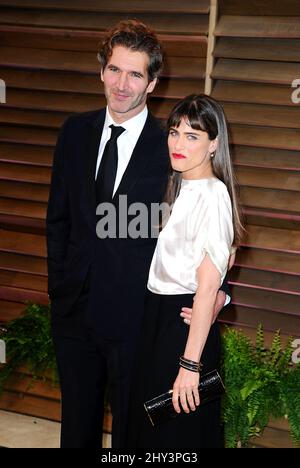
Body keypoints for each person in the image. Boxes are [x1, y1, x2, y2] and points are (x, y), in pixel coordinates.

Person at [46, 20, 231, 449]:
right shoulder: (72, 132)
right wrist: (59, 284)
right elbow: (58, 220)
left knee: (135, 439)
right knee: (76, 429)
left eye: (135, 74)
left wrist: (218, 292)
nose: (122, 84)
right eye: (114, 69)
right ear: (101, 71)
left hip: (136, 319)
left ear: (152, 82)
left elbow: (212, 219)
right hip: (73, 312)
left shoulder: (173, 146)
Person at [127, 94, 244, 448]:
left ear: (214, 144)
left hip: (182, 332)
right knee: (151, 436)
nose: (178, 144)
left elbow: (207, 289)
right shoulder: (182, 187)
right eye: (174, 132)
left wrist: (190, 366)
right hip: (159, 323)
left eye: (192, 136)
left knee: (176, 440)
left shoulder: (213, 195)